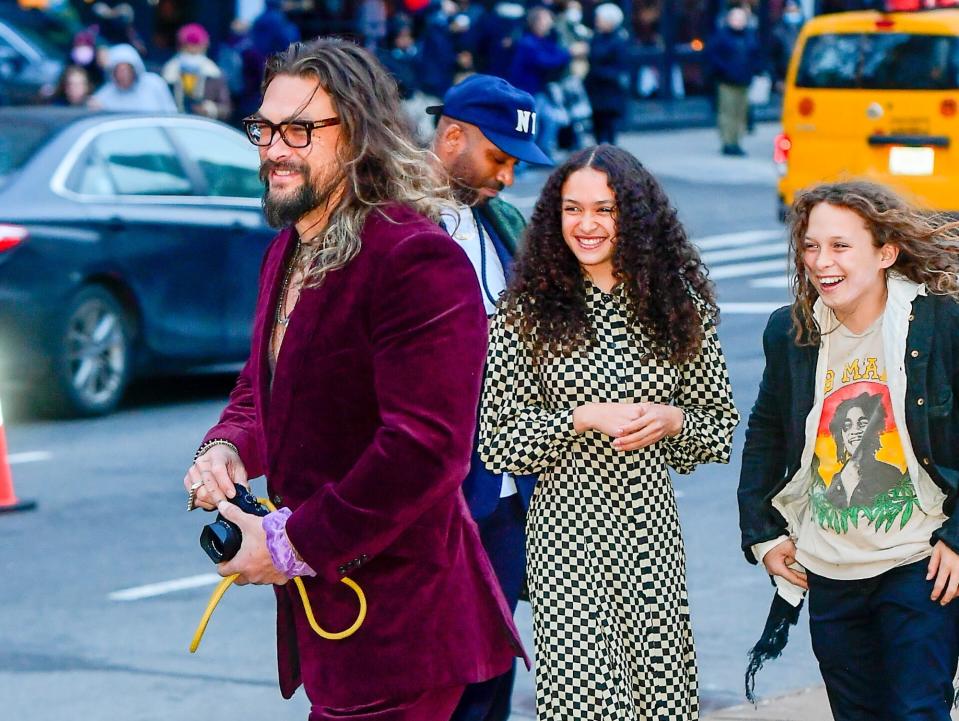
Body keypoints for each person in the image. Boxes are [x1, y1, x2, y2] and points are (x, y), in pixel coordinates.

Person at [184, 38, 524, 721]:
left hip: (406, 627)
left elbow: (423, 450)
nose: (274, 148)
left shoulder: (414, 256)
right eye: (265, 128)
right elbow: (263, 386)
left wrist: (288, 543)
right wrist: (225, 446)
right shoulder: (289, 245)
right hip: (333, 627)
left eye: (300, 130)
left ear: (359, 134)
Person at [479, 144, 740, 720]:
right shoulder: (526, 312)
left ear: (635, 217)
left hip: (651, 533)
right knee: (584, 702)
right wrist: (582, 416)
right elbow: (497, 440)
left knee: (661, 699)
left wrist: (674, 420)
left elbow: (717, 428)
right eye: (573, 210)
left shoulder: (678, 305)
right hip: (566, 539)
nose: (587, 225)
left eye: (605, 209)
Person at [737, 181, 959, 719]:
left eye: (840, 246)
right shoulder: (791, 333)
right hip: (830, 568)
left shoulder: (938, 323)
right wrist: (763, 534)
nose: (820, 261)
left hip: (918, 563)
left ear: (885, 253)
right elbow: (766, 435)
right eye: (811, 246)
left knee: (916, 712)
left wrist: (957, 537)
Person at [427, 73, 553, 721]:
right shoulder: (389, 221)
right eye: (497, 158)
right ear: (451, 137)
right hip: (428, 499)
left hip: (501, 496)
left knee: (491, 676)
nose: (506, 177)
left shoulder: (501, 220)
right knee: (433, 680)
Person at [507, 6, 571, 160]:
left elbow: (554, 52)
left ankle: (541, 155)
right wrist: (568, 54)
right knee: (526, 129)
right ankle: (520, 164)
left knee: (550, 120)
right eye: (547, 20)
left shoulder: (542, 41)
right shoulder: (527, 43)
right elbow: (545, 61)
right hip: (525, 92)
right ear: (537, 23)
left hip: (539, 91)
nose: (551, 23)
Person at [706, 5, 761, 156]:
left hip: (744, 81)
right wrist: (724, 70)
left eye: (741, 19)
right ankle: (728, 142)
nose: (738, 22)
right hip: (727, 81)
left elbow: (755, 56)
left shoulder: (749, 37)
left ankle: (737, 141)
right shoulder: (721, 37)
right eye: (735, 19)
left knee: (741, 113)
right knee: (727, 113)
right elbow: (713, 57)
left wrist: (755, 70)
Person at [161, 23, 232, 120]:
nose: (192, 50)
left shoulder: (214, 74)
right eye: (188, 46)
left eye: (196, 46)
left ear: (204, 47)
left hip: (204, 127)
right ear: (180, 47)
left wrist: (209, 109)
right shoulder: (168, 73)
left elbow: (226, 108)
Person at [584, 3, 629, 146]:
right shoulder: (596, 38)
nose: (597, 21)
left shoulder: (618, 41)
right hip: (595, 91)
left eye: (600, 18)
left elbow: (620, 68)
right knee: (597, 127)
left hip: (610, 92)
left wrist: (598, 71)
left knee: (609, 128)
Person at [89, 43, 177, 113]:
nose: (123, 74)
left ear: (135, 69)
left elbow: (171, 113)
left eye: (127, 69)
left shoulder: (155, 84)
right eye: (119, 70)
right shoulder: (103, 96)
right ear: (112, 72)